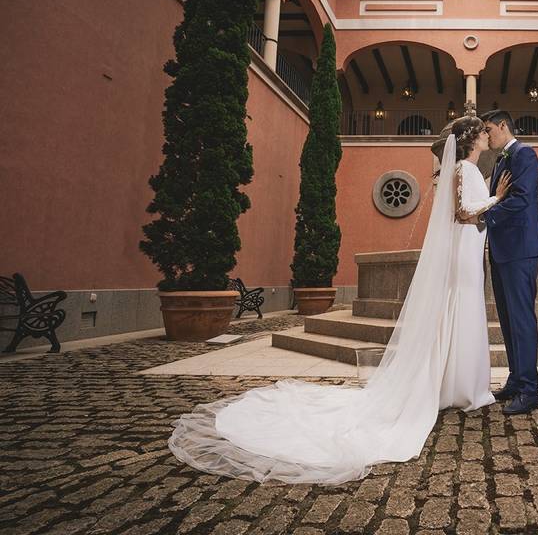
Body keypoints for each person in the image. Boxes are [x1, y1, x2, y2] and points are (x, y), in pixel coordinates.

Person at [168, 117, 511, 484]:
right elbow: (463, 214)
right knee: (460, 313)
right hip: (463, 257)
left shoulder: (461, 169)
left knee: (456, 316)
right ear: (471, 138)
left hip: (464, 255)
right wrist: (498, 198)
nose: (487, 136)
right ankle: (462, 389)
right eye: (482, 132)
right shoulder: (467, 169)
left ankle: (454, 386)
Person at [478, 110, 538, 415]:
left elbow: (521, 199)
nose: (487, 135)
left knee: (521, 319)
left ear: (504, 126)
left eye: (489, 129)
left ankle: (530, 391)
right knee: (507, 320)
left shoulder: (524, 154)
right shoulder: (502, 159)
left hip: (520, 249)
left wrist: (484, 216)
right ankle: (516, 380)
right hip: (503, 250)